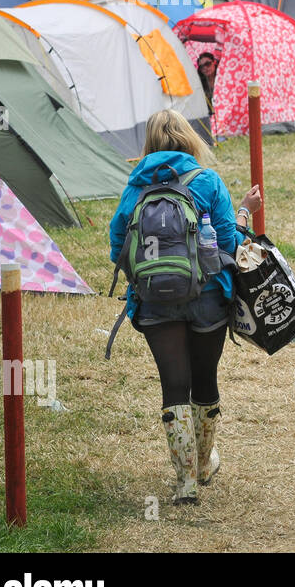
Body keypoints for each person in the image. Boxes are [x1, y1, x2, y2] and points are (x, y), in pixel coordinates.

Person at [108, 110, 263, 506]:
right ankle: (205, 464)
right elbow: (228, 243)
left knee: (173, 387)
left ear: (150, 145)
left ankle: (185, 482)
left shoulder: (134, 189)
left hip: (155, 301)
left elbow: (117, 250)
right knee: (204, 381)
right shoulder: (207, 181)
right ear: (189, 139)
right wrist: (245, 212)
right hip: (208, 297)